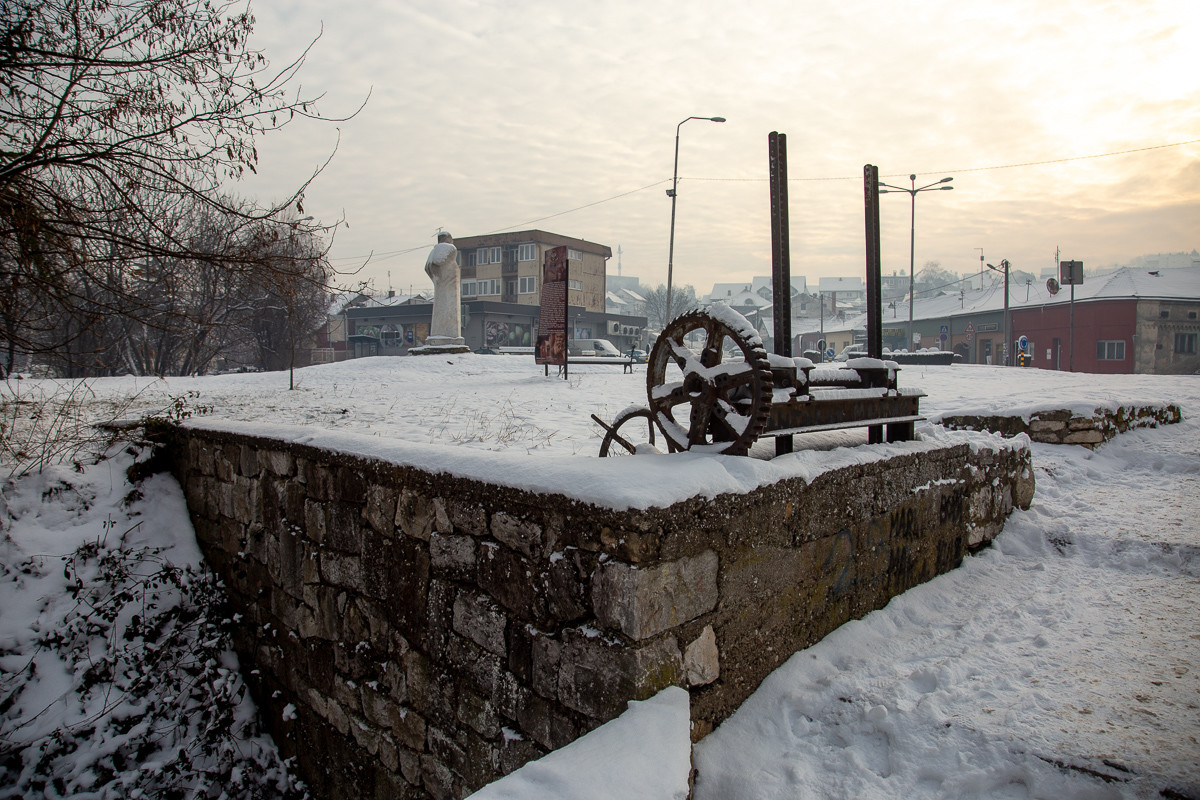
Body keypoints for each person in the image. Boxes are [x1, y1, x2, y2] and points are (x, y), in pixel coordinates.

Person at [424, 231, 464, 345]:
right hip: (449, 286)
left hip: (441, 286)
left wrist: (436, 278)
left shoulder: (433, 251)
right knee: (448, 312)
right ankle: (450, 336)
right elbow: (439, 261)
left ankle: (442, 335)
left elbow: (427, 267)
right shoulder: (450, 248)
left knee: (440, 312)